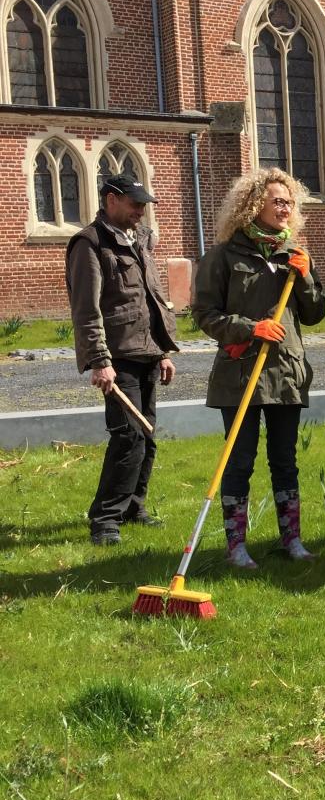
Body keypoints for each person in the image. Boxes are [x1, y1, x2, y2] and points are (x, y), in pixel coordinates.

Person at [191, 168, 325, 569]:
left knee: (285, 459)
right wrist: (250, 328)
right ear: (254, 205)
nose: (286, 209)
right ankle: (236, 546)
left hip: (285, 374)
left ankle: (293, 541)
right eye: (278, 201)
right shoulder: (223, 257)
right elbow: (204, 314)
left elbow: (316, 313)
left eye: (290, 202)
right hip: (240, 373)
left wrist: (304, 278)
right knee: (240, 460)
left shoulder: (295, 256)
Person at [65, 175, 178, 545]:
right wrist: (99, 360)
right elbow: (86, 309)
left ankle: (133, 507)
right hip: (117, 357)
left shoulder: (140, 240)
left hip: (146, 352)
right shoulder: (90, 243)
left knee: (146, 434)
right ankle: (105, 520)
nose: (141, 210)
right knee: (128, 437)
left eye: (143, 204)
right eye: (134, 203)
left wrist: (162, 350)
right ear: (112, 200)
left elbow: (151, 298)